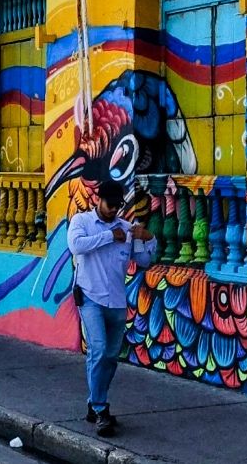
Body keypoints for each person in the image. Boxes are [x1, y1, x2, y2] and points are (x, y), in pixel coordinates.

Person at [67, 180, 155, 437]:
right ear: (98, 200)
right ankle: (100, 408)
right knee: (98, 348)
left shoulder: (126, 229)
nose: (113, 209)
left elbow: (144, 261)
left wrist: (148, 239)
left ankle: (94, 402)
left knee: (111, 356)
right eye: (109, 204)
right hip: (90, 297)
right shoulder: (81, 222)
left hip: (117, 301)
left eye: (117, 205)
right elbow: (76, 246)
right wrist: (108, 236)